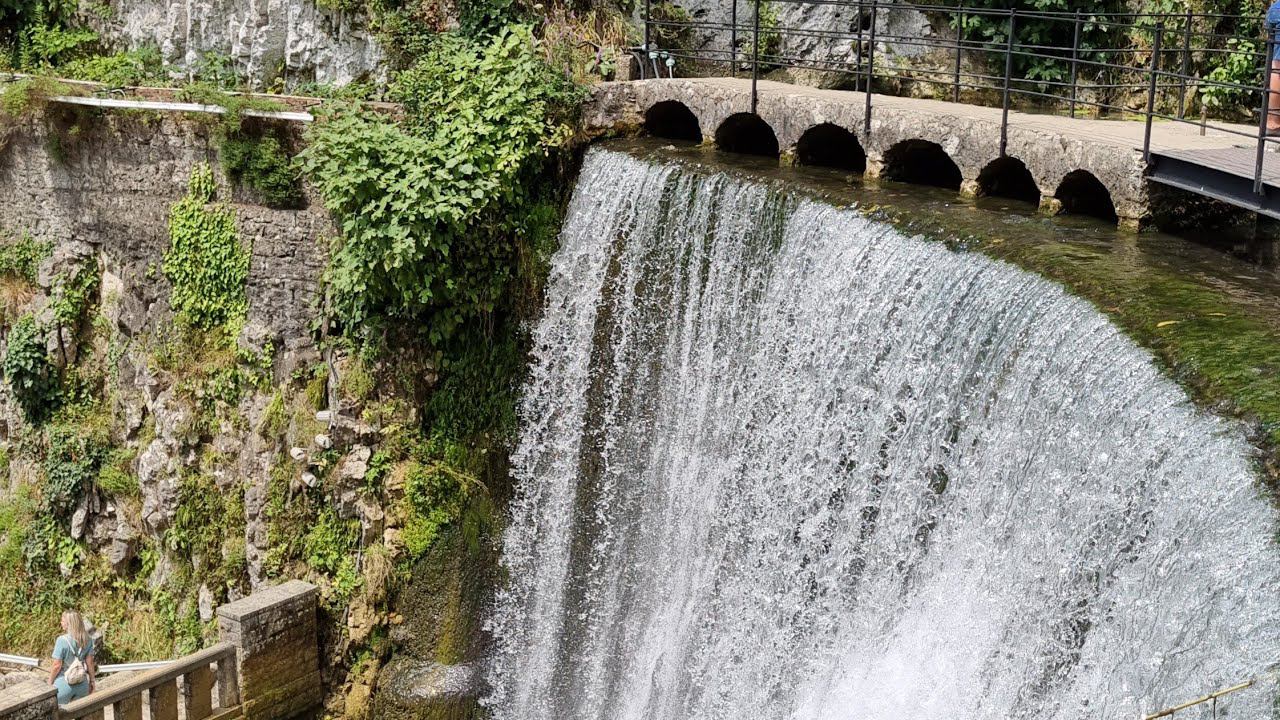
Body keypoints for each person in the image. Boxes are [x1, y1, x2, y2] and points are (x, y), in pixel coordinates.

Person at [47, 610, 95, 705]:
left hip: (63, 685)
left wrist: (49, 683)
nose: (61, 623)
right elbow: (90, 663)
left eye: (62, 621)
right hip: (82, 684)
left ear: (69, 623)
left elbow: (57, 665)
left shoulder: (61, 640)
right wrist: (92, 681)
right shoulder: (88, 640)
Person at [1269, 1, 1280, 134]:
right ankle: (1273, 122)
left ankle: (1272, 120)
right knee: (1278, 67)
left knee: (1276, 65)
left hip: (1275, 9)